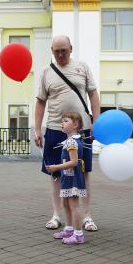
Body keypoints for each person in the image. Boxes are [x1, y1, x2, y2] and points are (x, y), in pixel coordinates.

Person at [34, 35, 100, 231]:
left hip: (82, 130)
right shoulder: (46, 71)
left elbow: (93, 94)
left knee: (84, 171)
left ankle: (87, 216)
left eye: (64, 50)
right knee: (55, 173)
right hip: (55, 129)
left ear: (71, 48)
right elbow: (40, 102)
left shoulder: (83, 67)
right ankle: (56, 215)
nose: (61, 54)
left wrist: (96, 122)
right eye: (57, 51)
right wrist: (38, 129)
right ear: (52, 51)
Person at [46, 112, 87, 244]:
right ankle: (69, 229)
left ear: (75, 125)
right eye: (61, 121)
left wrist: (56, 167)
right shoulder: (69, 141)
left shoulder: (72, 142)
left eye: (65, 121)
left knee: (73, 205)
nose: (62, 124)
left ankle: (78, 234)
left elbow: (74, 162)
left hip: (73, 178)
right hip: (67, 177)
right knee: (65, 204)